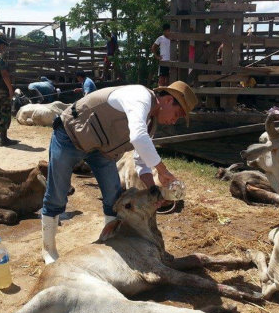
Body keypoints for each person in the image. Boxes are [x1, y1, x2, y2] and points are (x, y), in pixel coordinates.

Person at [41, 80, 198, 264]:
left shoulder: (150, 122)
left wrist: (153, 191)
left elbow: (141, 161)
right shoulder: (139, 97)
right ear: (169, 101)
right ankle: (49, 251)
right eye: (177, 114)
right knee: (57, 195)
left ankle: (109, 244)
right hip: (70, 136)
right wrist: (162, 171)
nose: (174, 120)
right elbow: (138, 137)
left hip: (101, 151)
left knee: (113, 198)